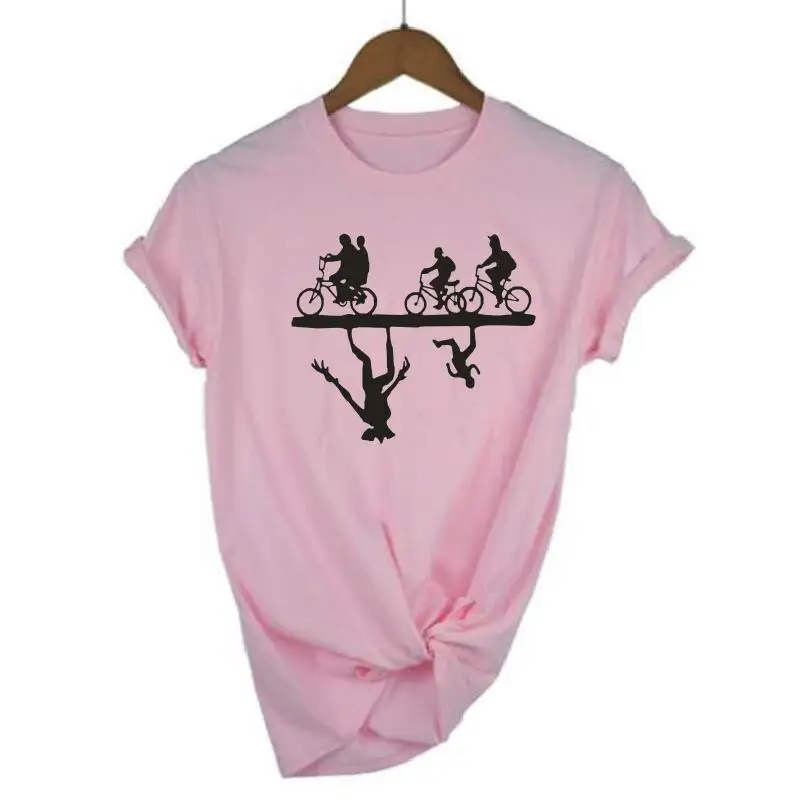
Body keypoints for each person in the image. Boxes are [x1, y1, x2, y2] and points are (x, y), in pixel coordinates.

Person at [311, 328, 411, 442]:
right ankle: (386, 331)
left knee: (368, 362)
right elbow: (384, 395)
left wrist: (333, 380)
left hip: (369, 386)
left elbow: (350, 399)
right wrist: (398, 378)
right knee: (383, 370)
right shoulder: (382, 416)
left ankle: (353, 335)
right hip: (375, 386)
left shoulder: (372, 417)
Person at [477, 234, 517, 307]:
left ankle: (499, 295)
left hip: (504, 272)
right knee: (489, 273)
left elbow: (514, 264)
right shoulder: (495, 254)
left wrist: (507, 269)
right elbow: (489, 261)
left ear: (495, 243)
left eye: (492, 242)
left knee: (494, 281)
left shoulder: (503, 253)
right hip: (499, 271)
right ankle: (498, 289)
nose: (490, 244)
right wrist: (482, 265)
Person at [323, 233, 359, 303]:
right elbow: (339, 256)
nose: (341, 242)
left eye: (342, 240)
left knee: (333, 278)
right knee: (335, 279)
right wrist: (331, 257)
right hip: (346, 270)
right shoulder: (347, 248)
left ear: (346, 240)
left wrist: (328, 259)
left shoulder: (348, 248)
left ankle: (343, 295)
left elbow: (339, 257)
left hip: (348, 271)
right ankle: (341, 296)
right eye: (340, 241)